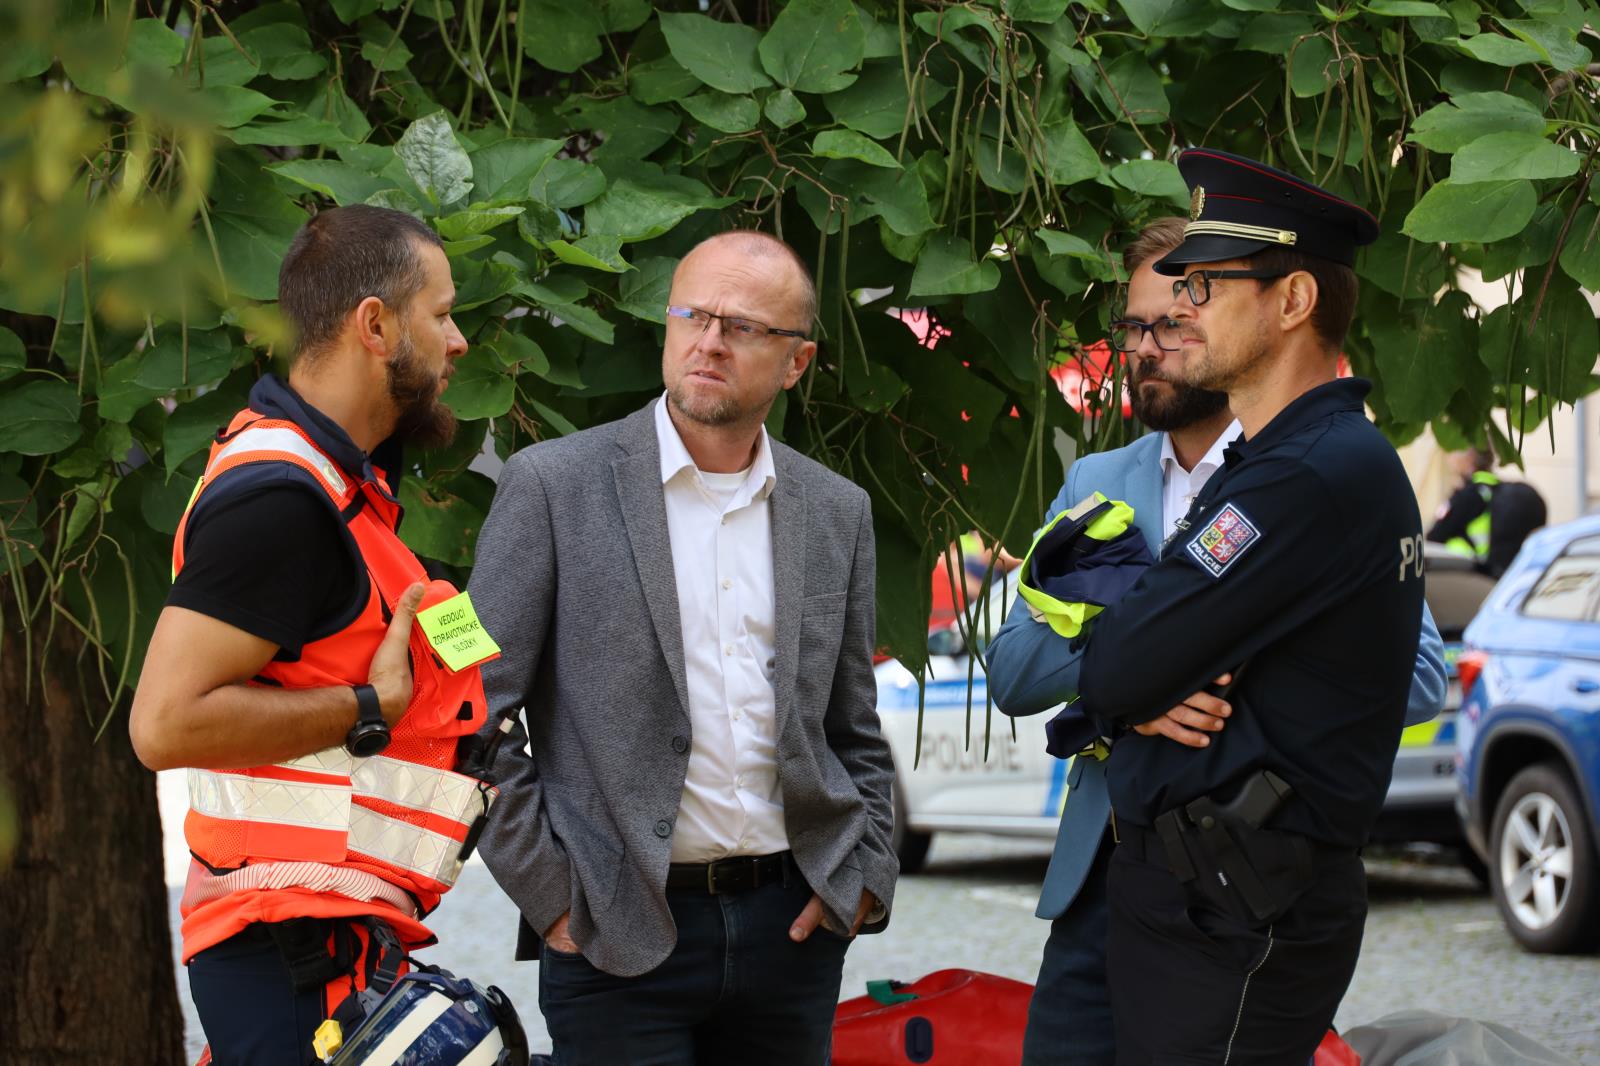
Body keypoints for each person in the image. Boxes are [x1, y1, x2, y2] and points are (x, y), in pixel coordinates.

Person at [985, 216, 1447, 1066]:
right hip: (1101, 874)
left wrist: (1195, 657)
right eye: (1134, 326)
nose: (1148, 347)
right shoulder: (1095, 481)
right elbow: (1013, 672)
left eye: (1176, 320)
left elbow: (1416, 674)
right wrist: (1138, 684)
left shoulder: (1310, 472)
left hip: (1231, 874)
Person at [467, 230, 897, 1065]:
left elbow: (852, 727)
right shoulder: (552, 486)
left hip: (792, 932)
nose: (709, 342)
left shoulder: (836, 510)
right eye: (693, 315)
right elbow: (472, 713)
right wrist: (554, 899)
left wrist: (864, 879)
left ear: (797, 362)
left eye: (743, 327)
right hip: (615, 931)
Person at [129, 205, 498, 1064]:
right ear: (376, 325)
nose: (458, 342)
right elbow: (164, 725)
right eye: (442, 315)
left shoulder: (343, 490)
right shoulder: (282, 499)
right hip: (293, 947)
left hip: (326, 941)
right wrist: (369, 704)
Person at [1427, 447, 1547, 577]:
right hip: (1508, 576)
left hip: (1469, 576)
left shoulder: (1468, 495)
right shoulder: (1498, 491)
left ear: (1469, 457)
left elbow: (1434, 537)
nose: (1450, 458)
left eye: (1454, 451)